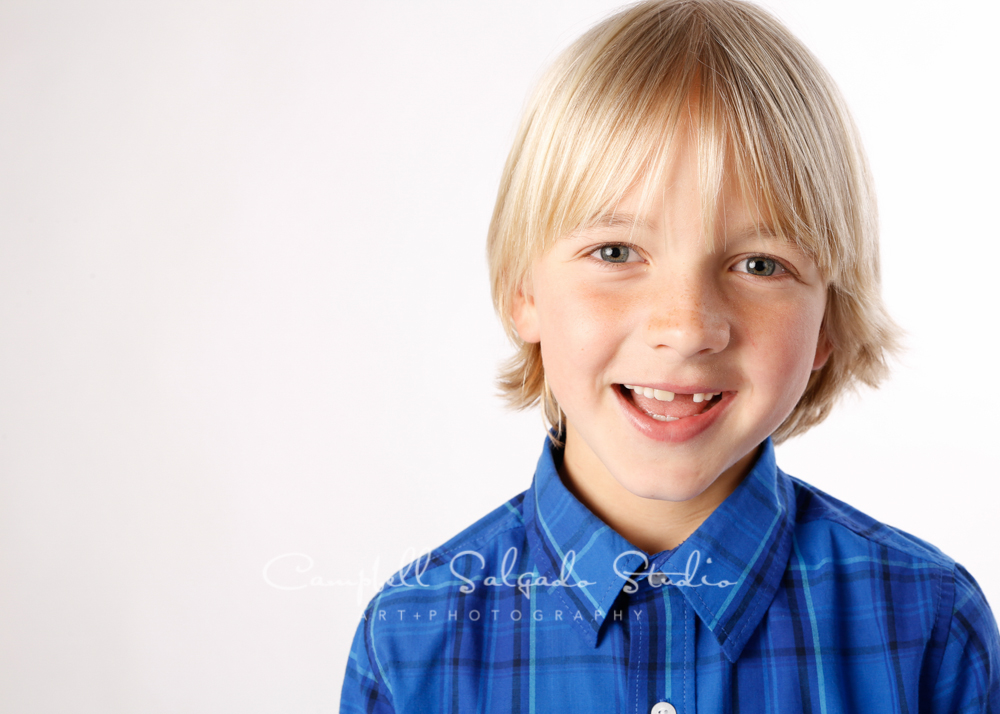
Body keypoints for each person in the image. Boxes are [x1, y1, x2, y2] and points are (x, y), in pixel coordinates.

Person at [339, 0, 1000, 711]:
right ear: (521, 289)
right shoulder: (414, 642)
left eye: (758, 264)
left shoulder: (927, 624)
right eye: (616, 252)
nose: (686, 329)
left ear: (830, 320)